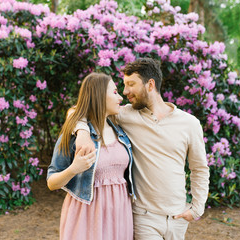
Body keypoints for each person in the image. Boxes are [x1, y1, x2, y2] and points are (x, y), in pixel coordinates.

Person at [74, 58, 210, 240]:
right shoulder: (125, 115)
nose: (125, 91)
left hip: (178, 217)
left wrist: (196, 208)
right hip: (144, 216)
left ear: (150, 84)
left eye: (131, 84)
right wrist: (82, 132)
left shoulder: (189, 123)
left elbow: (199, 168)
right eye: (124, 85)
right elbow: (80, 110)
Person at [47, 72, 135, 240]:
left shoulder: (120, 130)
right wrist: (74, 169)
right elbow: (52, 183)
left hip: (120, 213)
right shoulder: (73, 136)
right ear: (99, 95)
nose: (121, 98)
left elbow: (74, 111)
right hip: (87, 214)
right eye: (115, 92)